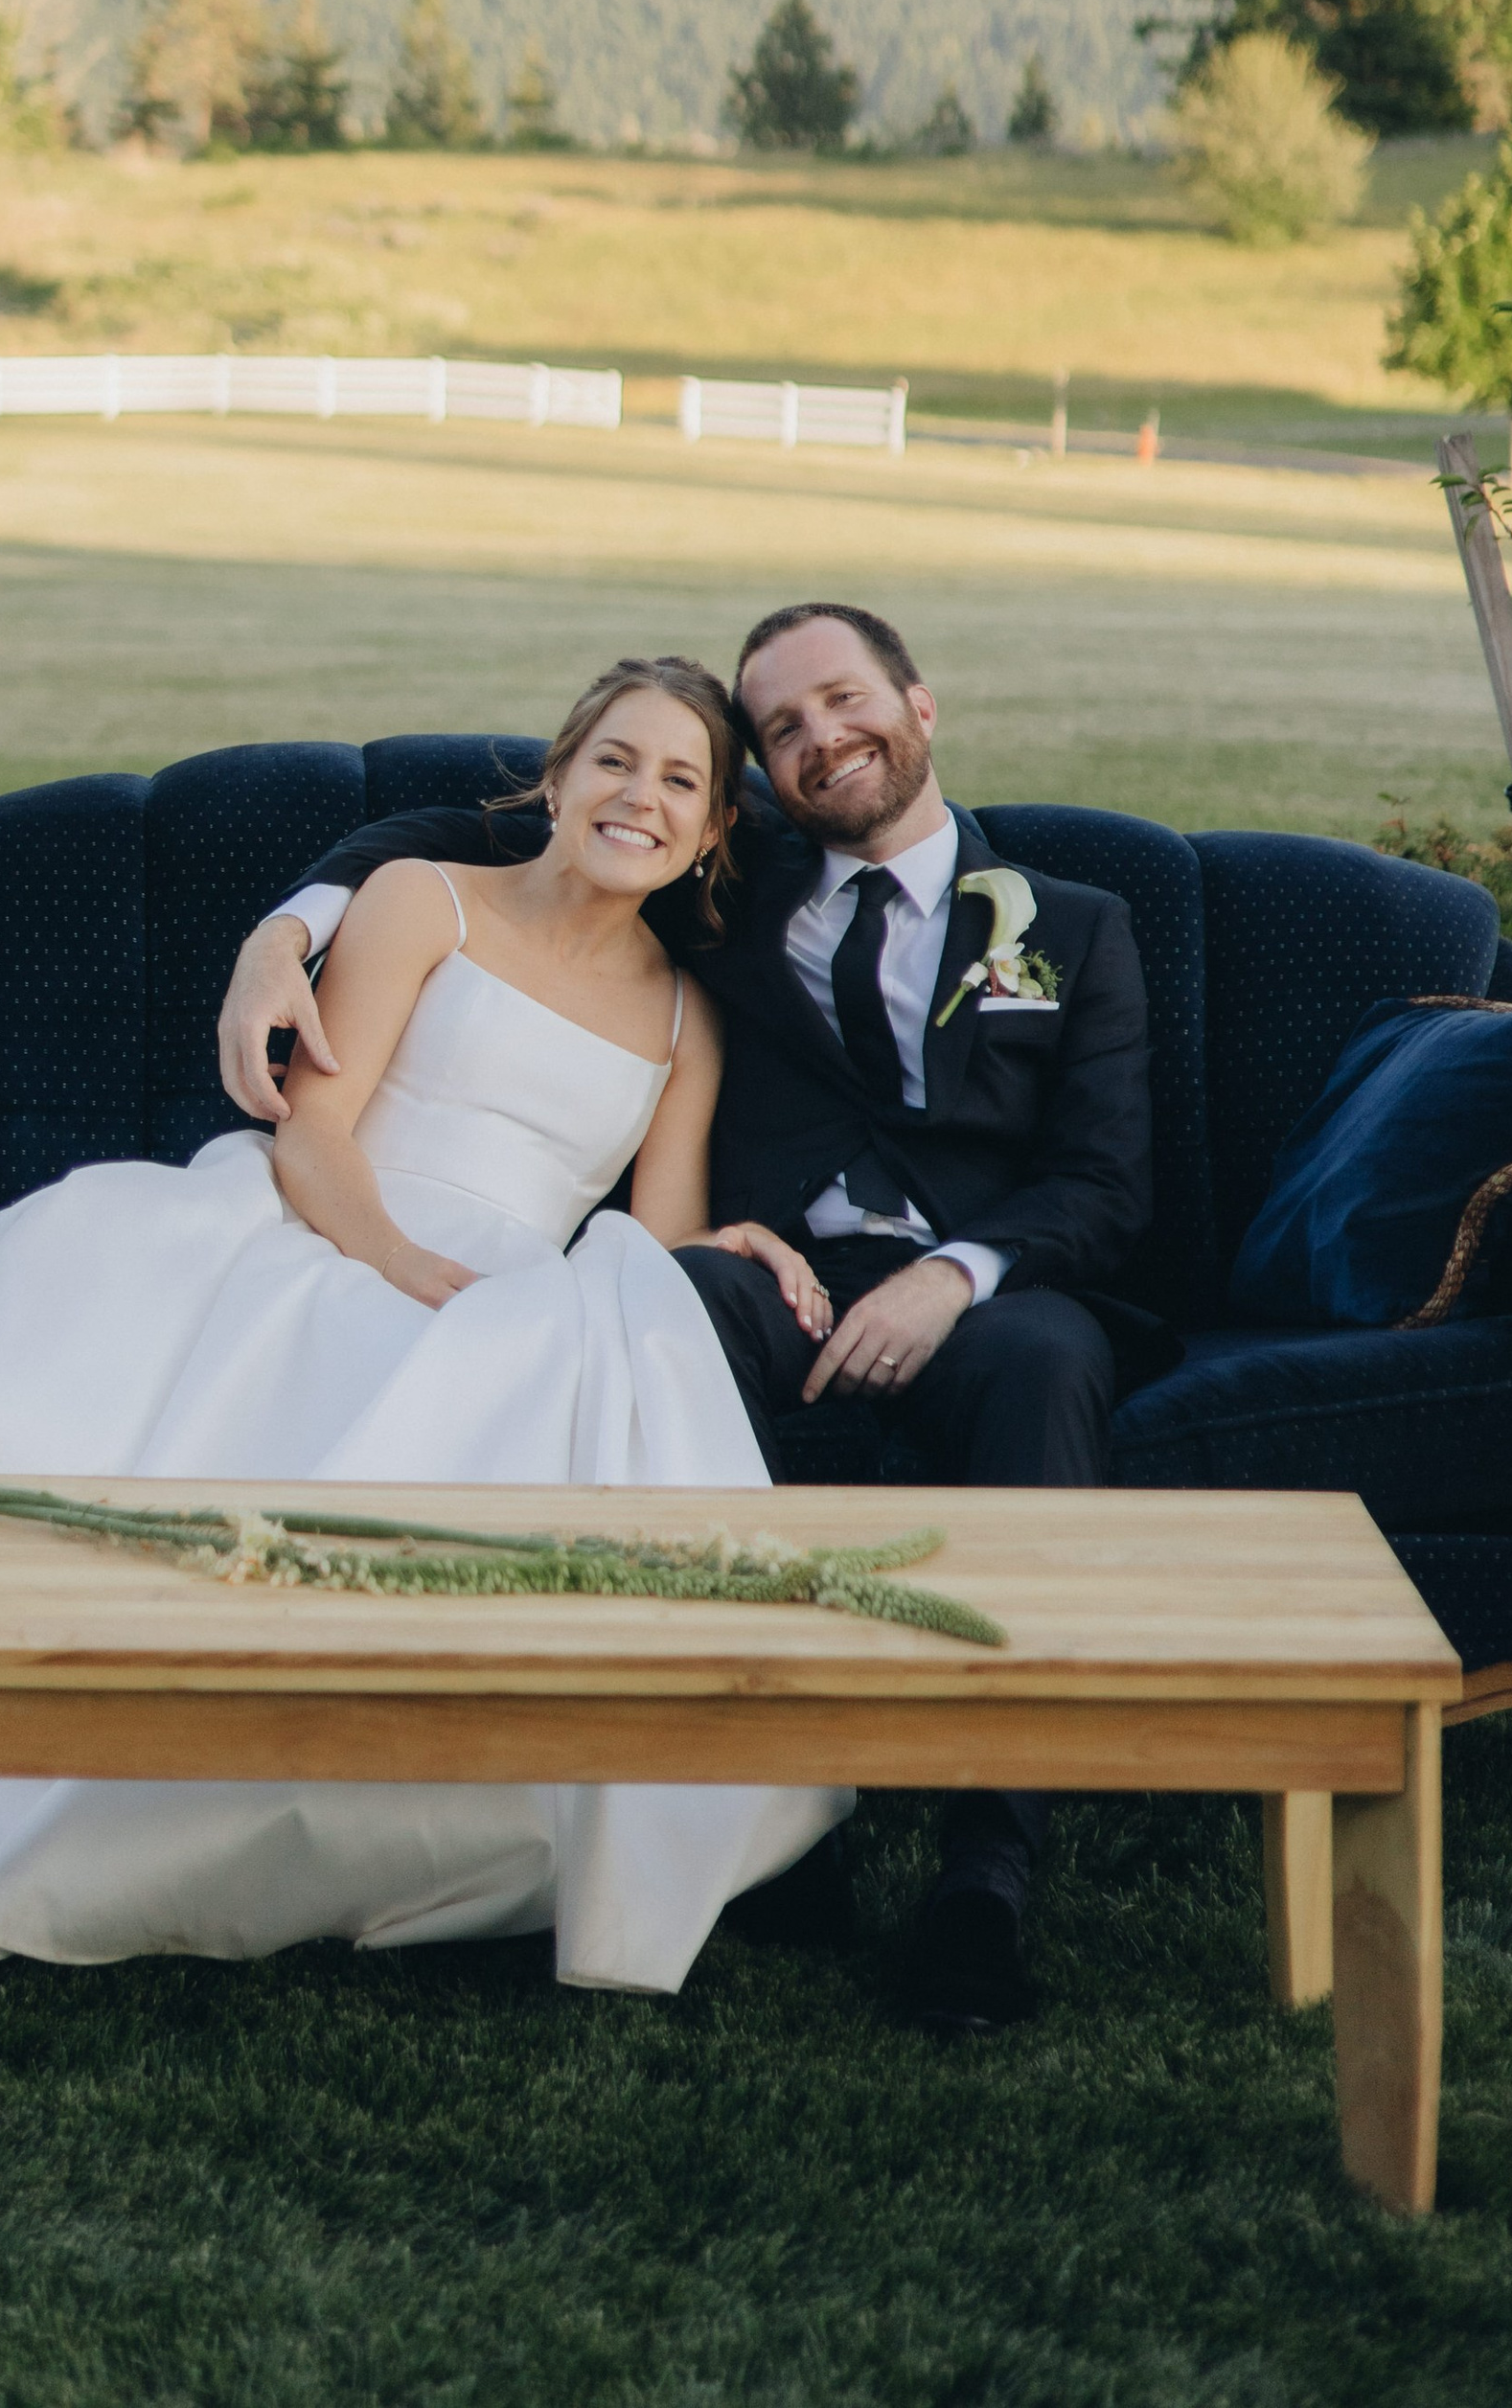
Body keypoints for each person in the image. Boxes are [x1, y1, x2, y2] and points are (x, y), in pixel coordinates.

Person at [0, 656, 846, 1991]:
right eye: (615, 759)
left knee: (559, 1376)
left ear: (711, 831)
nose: (641, 796)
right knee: (86, 1366)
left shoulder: (686, 1019)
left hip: (519, 1294)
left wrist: (728, 1243)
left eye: (681, 780)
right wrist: (389, 1257)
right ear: (556, 778)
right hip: (326, 1219)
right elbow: (315, 1129)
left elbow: (660, 1238)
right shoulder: (424, 899)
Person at [218, 601, 1161, 2036]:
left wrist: (952, 1271)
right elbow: (452, 823)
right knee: (655, 1305)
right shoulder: (735, 886)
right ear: (760, 787)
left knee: (1049, 1367)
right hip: (770, 1274)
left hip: (981, 1294)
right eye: (782, 729)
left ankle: (987, 1872)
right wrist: (287, 925)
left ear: (918, 705)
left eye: (843, 702)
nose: (820, 739)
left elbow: (1104, 1183)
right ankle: (770, 1818)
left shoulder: (1076, 928)